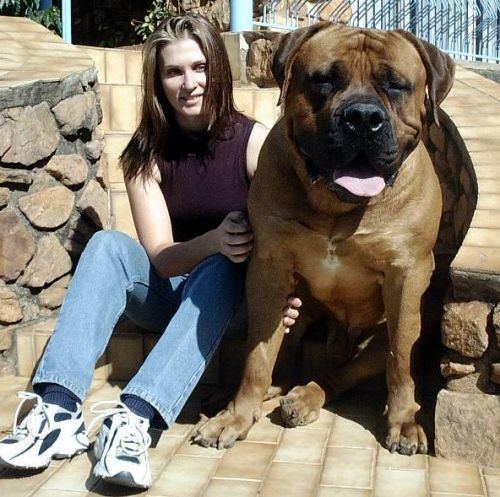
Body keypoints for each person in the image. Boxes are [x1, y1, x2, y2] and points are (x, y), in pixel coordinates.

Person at [0, 13, 301, 489]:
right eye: (173, 72)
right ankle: (57, 410)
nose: (189, 83)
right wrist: (211, 241)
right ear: (157, 81)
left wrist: (286, 292)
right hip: (170, 296)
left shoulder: (253, 142)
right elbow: (160, 256)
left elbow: (293, 232)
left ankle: (136, 417)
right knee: (105, 245)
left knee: (222, 266)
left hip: (237, 302)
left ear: (218, 68)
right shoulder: (144, 153)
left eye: (199, 67)